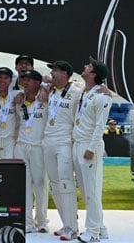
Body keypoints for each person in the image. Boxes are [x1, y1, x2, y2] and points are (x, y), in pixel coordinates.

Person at [43, 60, 82, 241]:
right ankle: (65, 223)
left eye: (55, 70)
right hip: (48, 140)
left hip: (64, 141)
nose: (52, 73)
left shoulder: (76, 91)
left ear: (65, 74)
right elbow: (37, 80)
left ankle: (72, 228)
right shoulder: (51, 90)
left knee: (66, 183)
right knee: (55, 184)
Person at [74, 57, 112, 243]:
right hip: (78, 143)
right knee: (86, 189)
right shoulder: (85, 91)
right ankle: (101, 228)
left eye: (88, 66)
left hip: (90, 146)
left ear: (94, 74)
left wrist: (90, 148)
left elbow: (100, 126)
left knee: (92, 191)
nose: (85, 66)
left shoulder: (102, 96)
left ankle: (93, 232)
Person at [13, 70, 49, 233]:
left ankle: (41, 221)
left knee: (40, 184)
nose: (25, 82)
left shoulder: (46, 99)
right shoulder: (18, 100)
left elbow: (65, 84)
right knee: (24, 185)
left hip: (38, 147)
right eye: (23, 80)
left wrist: (44, 88)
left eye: (29, 80)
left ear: (37, 83)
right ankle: (26, 221)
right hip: (21, 146)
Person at [0, 67, 20, 159]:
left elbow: (36, 89)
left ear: (11, 80)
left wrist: (43, 89)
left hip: (9, 141)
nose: (2, 81)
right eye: (0, 77)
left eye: (6, 78)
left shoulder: (16, 95)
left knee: (8, 171)